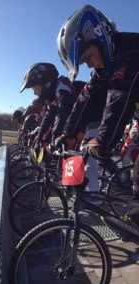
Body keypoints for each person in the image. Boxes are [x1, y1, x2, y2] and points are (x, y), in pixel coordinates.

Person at [56, 4, 139, 224]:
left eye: (88, 57)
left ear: (98, 36)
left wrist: (103, 141)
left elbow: (119, 98)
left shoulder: (131, 51)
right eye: (83, 62)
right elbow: (85, 99)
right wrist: (68, 133)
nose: (89, 64)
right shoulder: (104, 66)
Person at [20, 62, 85, 151]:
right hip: (81, 120)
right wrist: (39, 139)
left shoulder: (61, 87)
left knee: (78, 156)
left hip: (95, 118)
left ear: (45, 83)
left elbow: (62, 114)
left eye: (34, 89)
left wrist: (54, 140)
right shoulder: (52, 95)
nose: (34, 93)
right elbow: (48, 116)